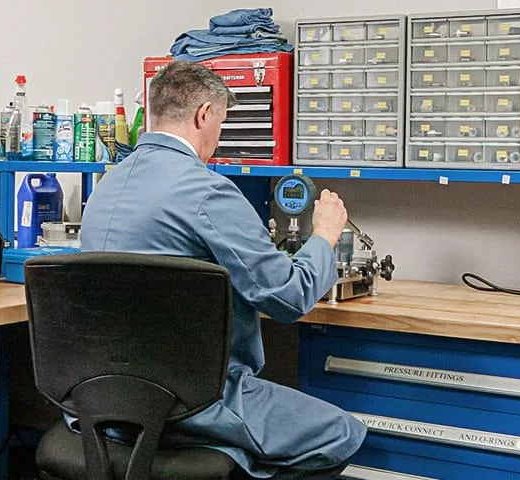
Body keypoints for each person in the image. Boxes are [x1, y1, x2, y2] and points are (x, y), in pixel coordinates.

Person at [77, 61, 367, 478]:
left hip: (102, 405)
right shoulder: (206, 191)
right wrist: (322, 237)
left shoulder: (106, 187)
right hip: (192, 404)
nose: (220, 136)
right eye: (222, 122)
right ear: (204, 114)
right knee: (341, 433)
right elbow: (289, 298)